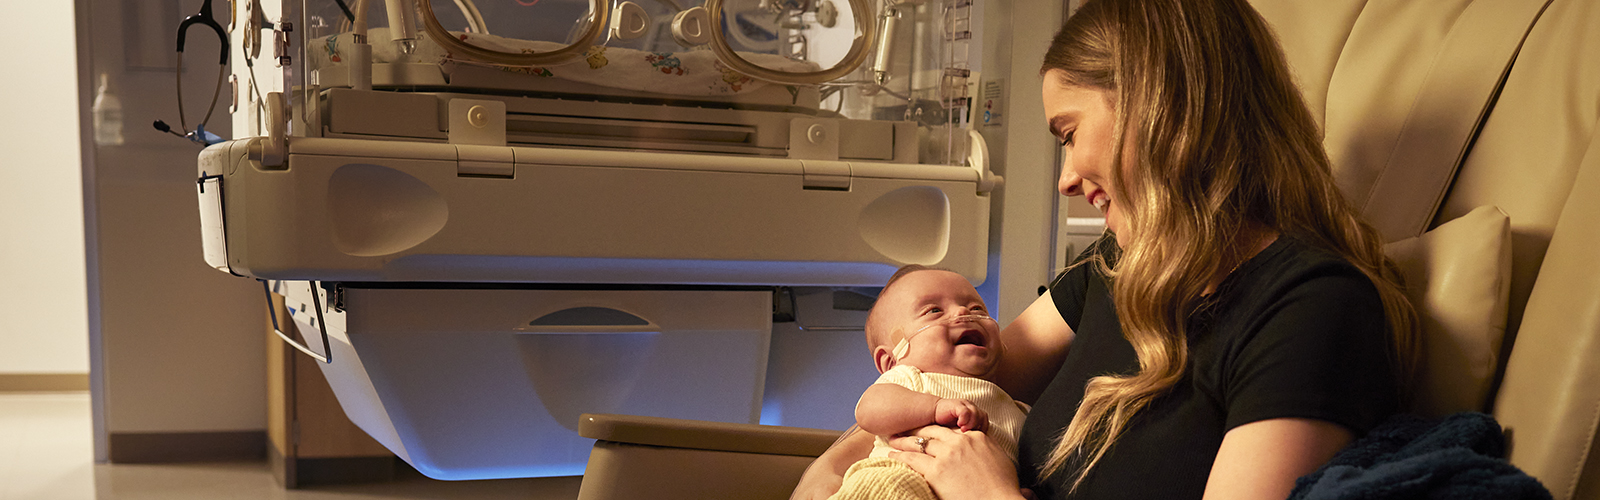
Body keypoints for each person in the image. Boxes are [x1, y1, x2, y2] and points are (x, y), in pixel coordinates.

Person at [791, 0, 1419, 498]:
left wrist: (987, 495)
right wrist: (828, 471)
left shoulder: (1309, 310)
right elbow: (949, 384)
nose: (1065, 178)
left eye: (1069, 133)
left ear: (1159, 106)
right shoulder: (1111, 270)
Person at [831, 265, 1029, 500]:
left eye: (977, 308)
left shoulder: (1018, 410)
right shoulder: (910, 379)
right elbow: (868, 410)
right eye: (934, 310)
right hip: (897, 477)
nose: (962, 313)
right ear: (892, 359)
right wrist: (934, 407)